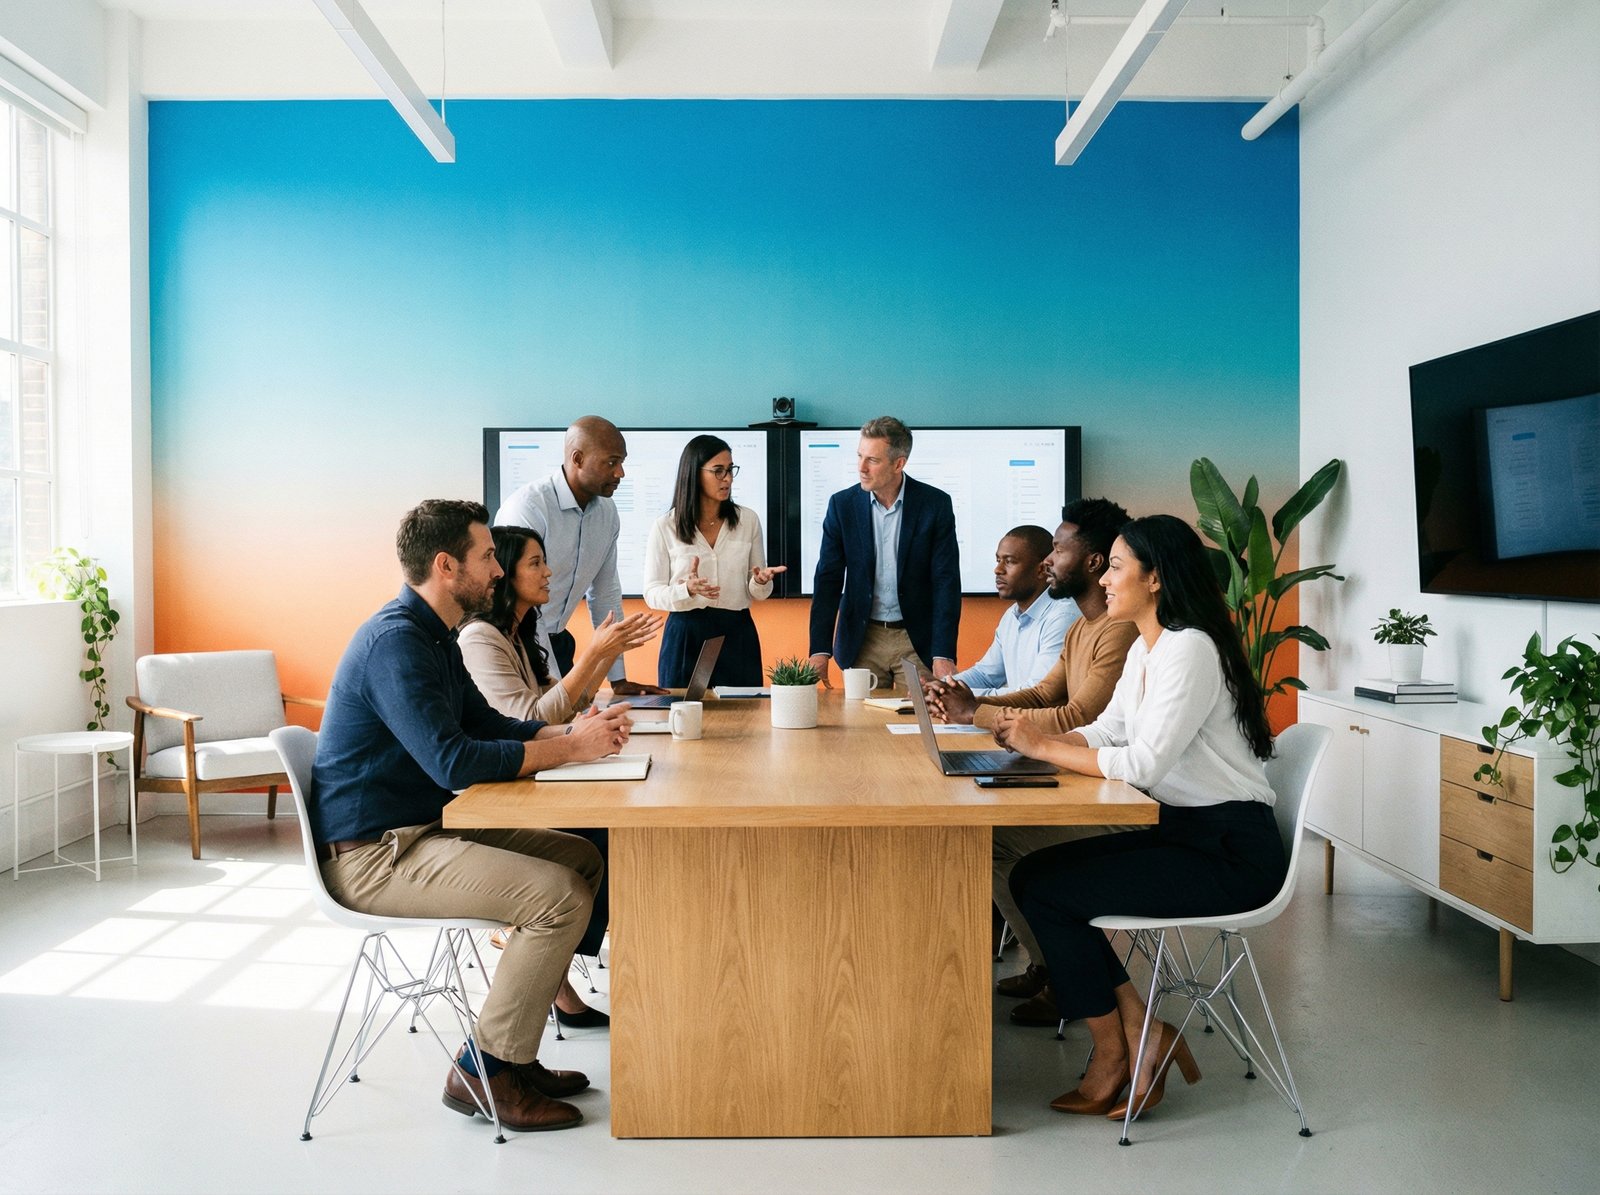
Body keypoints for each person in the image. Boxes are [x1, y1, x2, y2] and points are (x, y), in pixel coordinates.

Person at [310, 499, 636, 1133]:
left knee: (581, 856)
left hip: (420, 830)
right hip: (377, 855)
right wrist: (570, 749)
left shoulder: (433, 634)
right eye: (488, 556)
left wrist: (572, 730)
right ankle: (484, 1069)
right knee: (560, 897)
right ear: (445, 564)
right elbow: (453, 762)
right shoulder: (396, 644)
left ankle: (516, 1055)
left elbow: (487, 725)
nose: (497, 569)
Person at [1002, 514, 1284, 1122]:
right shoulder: (1149, 644)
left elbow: (1148, 762)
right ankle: (1142, 1029)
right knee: (1031, 877)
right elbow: (1110, 731)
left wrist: (1047, 748)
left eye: (1119, 567)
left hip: (1230, 852)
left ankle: (1113, 1053)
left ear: (1154, 578)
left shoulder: (1190, 649)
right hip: (1185, 833)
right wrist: (1030, 745)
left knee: (1050, 891)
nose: (1104, 578)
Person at [926, 499, 1138, 1026]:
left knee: (995, 841)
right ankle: (1052, 969)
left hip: (1117, 802)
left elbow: (1076, 715)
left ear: (1090, 563)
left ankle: (1067, 977)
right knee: (994, 840)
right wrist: (970, 704)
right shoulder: (1082, 627)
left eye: (1057, 551)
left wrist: (977, 714)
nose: (1047, 562)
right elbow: (1046, 691)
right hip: (1088, 775)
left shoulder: (1116, 629)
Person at [459, 523, 663, 1028]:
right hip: (498, 792)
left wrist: (602, 671)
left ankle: (557, 972)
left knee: (610, 831)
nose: (549, 572)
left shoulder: (521, 634)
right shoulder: (480, 639)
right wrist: (593, 654)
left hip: (529, 777)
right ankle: (546, 960)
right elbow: (533, 722)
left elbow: (565, 705)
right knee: (603, 838)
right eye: (535, 563)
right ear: (504, 572)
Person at [493, 415, 666, 696]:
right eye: (611, 462)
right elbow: (518, 601)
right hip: (517, 644)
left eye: (622, 462)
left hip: (559, 641)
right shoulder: (529, 508)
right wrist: (554, 689)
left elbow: (605, 593)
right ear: (577, 459)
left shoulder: (607, 514)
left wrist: (618, 678)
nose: (620, 472)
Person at [808, 416, 960, 691]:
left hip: (916, 641)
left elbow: (946, 582)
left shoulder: (934, 505)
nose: (861, 468)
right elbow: (827, 581)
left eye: (872, 460)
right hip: (863, 640)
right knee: (859, 728)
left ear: (898, 463)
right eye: (859, 456)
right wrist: (820, 650)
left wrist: (943, 653)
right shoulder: (842, 506)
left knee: (918, 725)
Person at [643, 434, 786, 687]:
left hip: (737, 632)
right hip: (685, 632)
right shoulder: (665, 526)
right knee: (684, 716)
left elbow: (759, 592)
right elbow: (652, 593)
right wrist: (685, 590)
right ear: (694, 473)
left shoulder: (747, 520)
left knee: (743, 720)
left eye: (731, 470)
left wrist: (760, 581)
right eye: (718, 471)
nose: (728, 478)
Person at [949, 525, 1076, 696]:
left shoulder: (1062, 617)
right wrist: (943, 687)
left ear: (1041, 570)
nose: (998, 570)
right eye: (998, 560)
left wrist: (965, 697)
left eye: (1009, 561)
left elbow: (1037, 693)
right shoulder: (1012, 615)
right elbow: (985, 675)